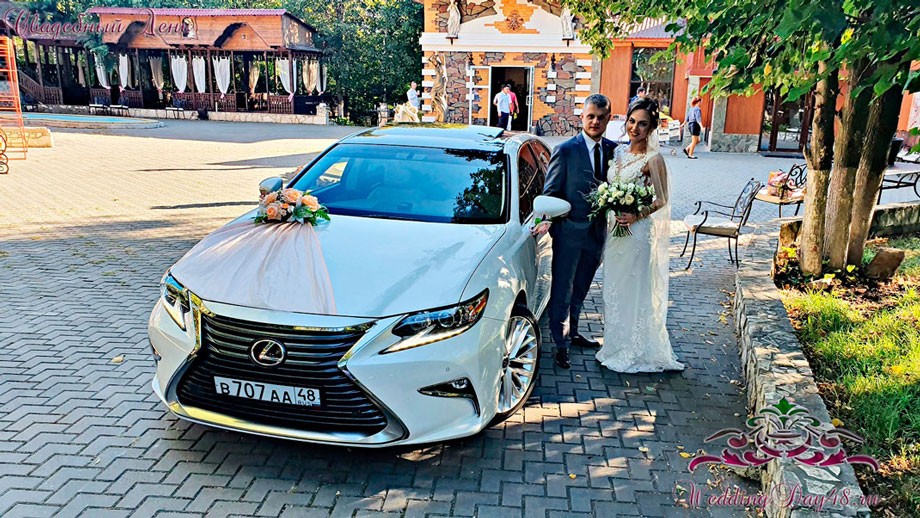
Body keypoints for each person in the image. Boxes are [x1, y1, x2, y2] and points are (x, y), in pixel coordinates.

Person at [595, 98, 685, 372]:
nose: (635, 128)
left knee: (633, 290)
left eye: (642, 124)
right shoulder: (618, 152)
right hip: (614, 232)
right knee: (614, 289)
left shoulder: (653, 159)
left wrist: (637, 215)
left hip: (636, 233)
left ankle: (634, 349)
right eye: (632, 121)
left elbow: (662, 199)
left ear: (652, 128)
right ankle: (614, 344)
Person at [534, 94, 616, 369]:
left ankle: (575, 331)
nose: (595, 122)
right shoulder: (566, 150)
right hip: (568, 234)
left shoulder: (614, 151)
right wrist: (546, 220)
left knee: (581, 287)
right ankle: (560, 344)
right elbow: (550, 192)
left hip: (597, 234)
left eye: (601, 117)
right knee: (563, 289)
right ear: (582, 117)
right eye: (590, 116)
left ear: (608, 119)